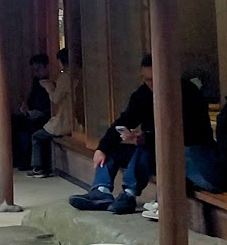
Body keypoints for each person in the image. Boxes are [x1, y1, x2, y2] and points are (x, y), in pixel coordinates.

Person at [71, 54, 212, 213]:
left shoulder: (187, 93)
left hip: (184, 154)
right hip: (151, 146)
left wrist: (146, 137)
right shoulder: (143, 94)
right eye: (146, 79)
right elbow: (125, 120)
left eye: (153, 79)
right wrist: (102, 148)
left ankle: (129, 194)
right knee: (112, 149)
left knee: (145, 149)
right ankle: (100, 191)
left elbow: (188, 133)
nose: (149, 84)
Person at [27, 48, 73, 177]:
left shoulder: (65, 77)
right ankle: (39, 166)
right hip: (65, 118)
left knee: (37, 136)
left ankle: (39, 168)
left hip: (64, 119)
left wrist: (49, 87)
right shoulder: (78, 74)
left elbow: (56, 99)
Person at [12, 53, 52, 169]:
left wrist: (42, 113)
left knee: (27, 129)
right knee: (14, 121)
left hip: (47, 116)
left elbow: (55, 103)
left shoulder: (50, 81)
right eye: (34, 70)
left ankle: (27, 162)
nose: (36, 73)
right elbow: (31, 98)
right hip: (34, 113)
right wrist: (25, 107)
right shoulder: (37, 81)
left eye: (38, 69)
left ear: (47, 67)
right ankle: (17, 160)